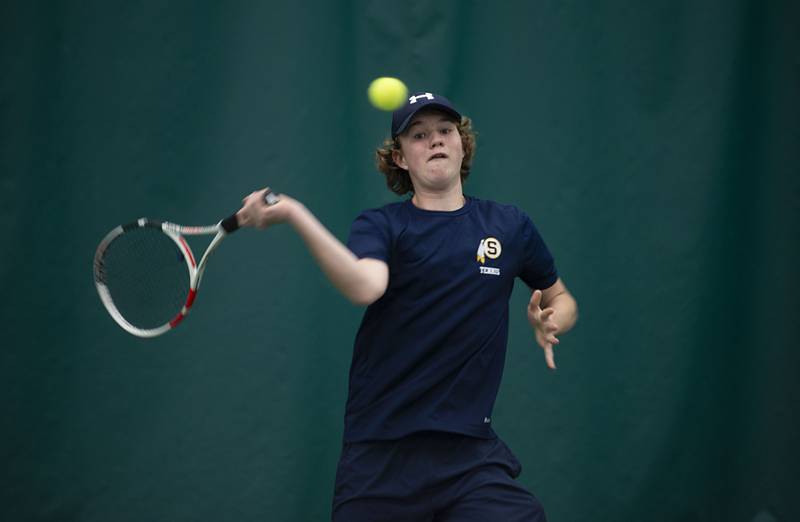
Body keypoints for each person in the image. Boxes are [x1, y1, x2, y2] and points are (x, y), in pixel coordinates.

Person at [236, 92, 578, 521]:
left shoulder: (509, 226)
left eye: (445, 131)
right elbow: (365, 286)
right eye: (419, 135)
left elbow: (560, 297)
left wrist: (552, 320)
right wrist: (295, 213)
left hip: (469, 455)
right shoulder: (382, 226)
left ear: (461, 143)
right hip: (381, 456)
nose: (435, 140)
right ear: (399, 158)